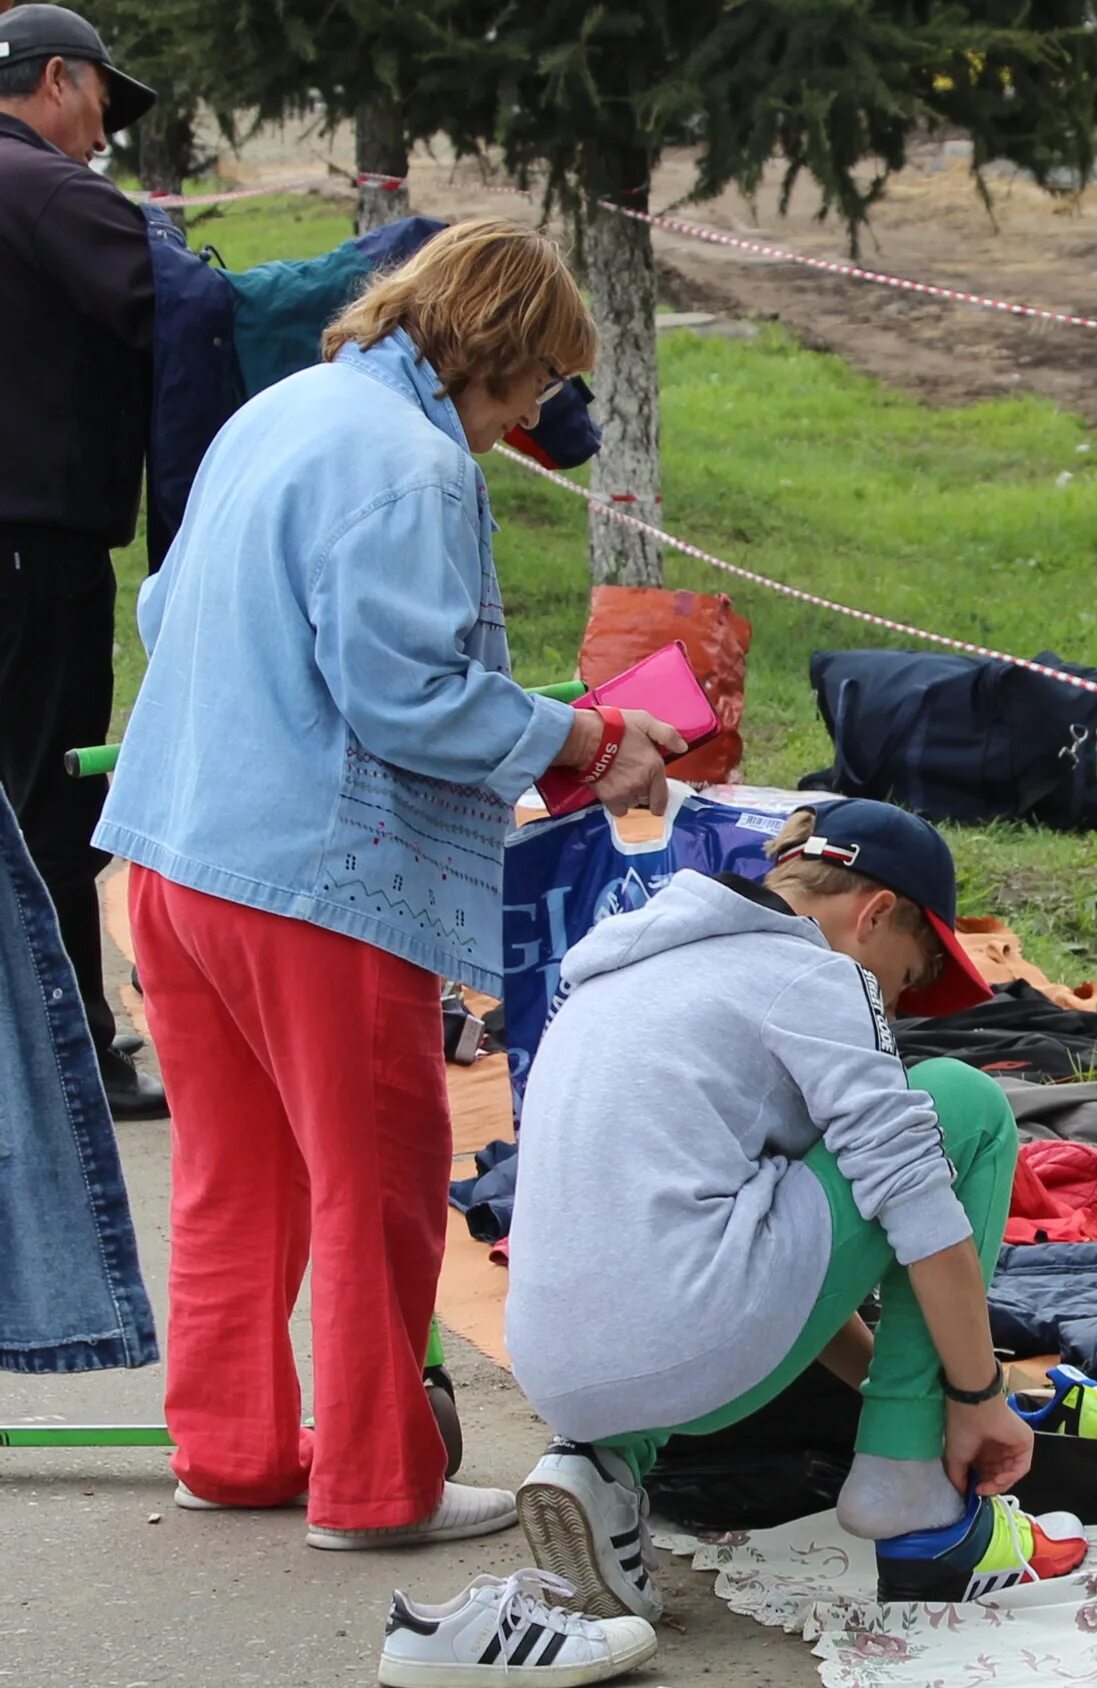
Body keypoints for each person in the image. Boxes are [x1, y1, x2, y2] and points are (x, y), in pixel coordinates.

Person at [95, 218, 689, 1547]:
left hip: (176, 852)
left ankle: (237, 1452)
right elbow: (406, 697)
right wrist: (584, 735)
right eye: (542, 382)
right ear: (502, 351)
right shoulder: (416, 465)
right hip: (312, 880)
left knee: (235, 1176)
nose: (540, 412)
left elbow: (161, 613)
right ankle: (374, 1485)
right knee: (378, 1180)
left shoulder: (286, 409)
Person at [503, 801, 1091, 1623]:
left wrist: (892, 1377)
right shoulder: (814, 976)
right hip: (691, 1340)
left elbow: (780, 1263)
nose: (893, 1009)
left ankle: (597, 1468)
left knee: (692, 1228)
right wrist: (975, 1395)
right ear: (875, 915)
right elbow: (914, 1203)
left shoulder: (624, 967)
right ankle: (913, 1496)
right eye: (908, 978)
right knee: (961, 1103)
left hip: (559, 1370)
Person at [0, 4, 166, 1119]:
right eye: (104, 96)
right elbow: (185, 306)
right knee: (48, 800)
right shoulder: (47, 188)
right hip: (33, 545)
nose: (106, 129)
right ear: (56, 78)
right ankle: (69, 1057)